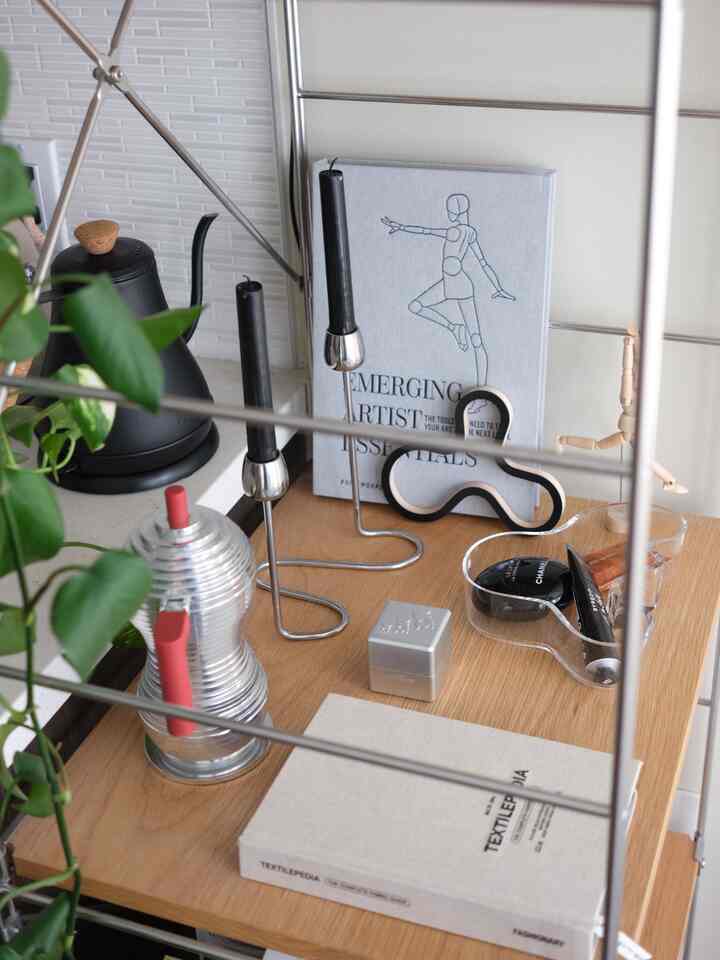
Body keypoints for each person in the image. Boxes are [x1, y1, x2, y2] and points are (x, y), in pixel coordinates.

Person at [382, 193, 515, 386]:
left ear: (456, 212)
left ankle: (481, 389)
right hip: (447, 284)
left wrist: (499, 288)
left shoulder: (455, 232)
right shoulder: (470, 233)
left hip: (460, 286)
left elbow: (426, 231)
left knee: (477, 340)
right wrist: (498, 287)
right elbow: (483, 263)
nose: (448, 213)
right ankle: (454, 327)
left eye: (450, 210)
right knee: (416, 306)